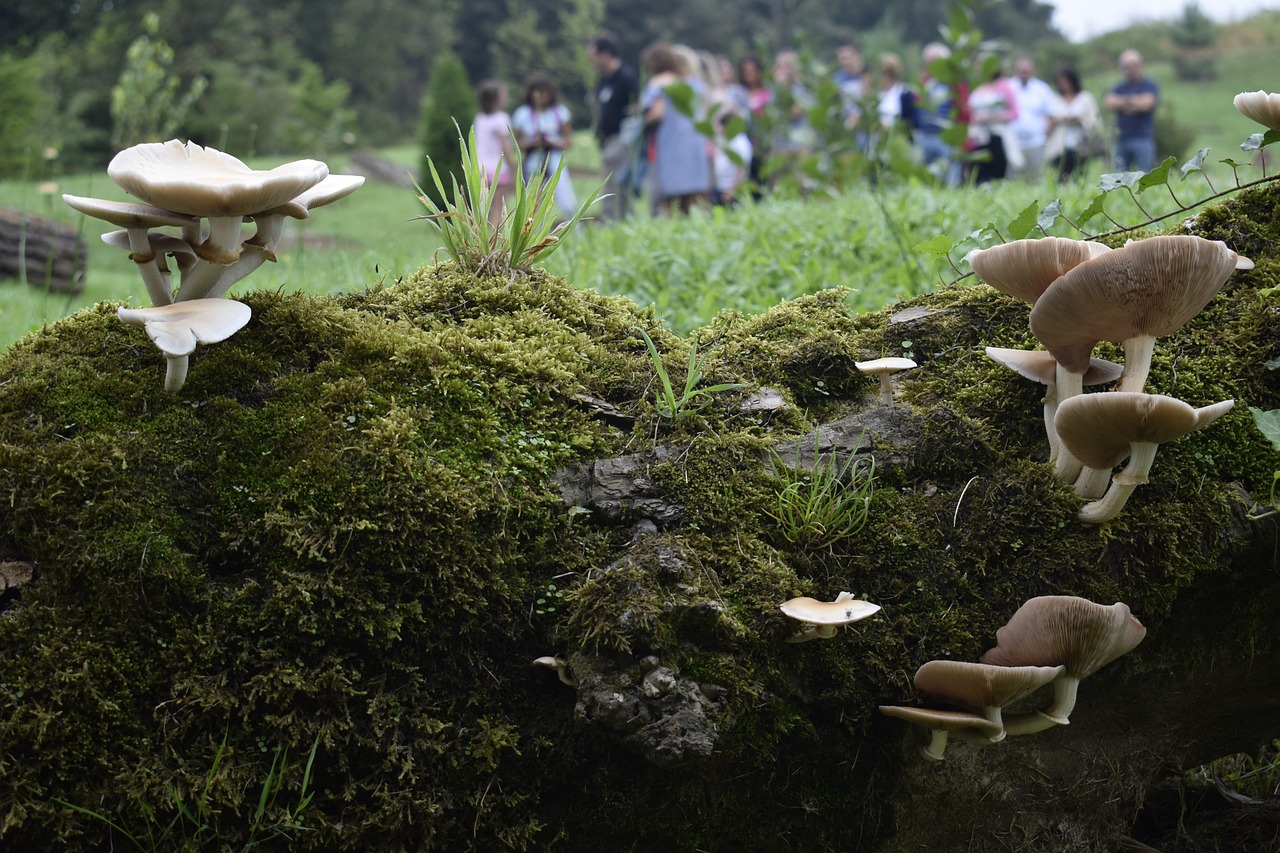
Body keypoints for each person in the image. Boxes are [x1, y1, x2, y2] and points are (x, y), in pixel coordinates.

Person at [640, 41, 711, 215]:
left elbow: (657, 113)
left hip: (671, 143)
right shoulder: (691, 82)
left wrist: (642, 119)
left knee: (671, 198)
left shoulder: (659, 83)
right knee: (695, 197)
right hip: (694, 142)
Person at [587, 33, 640, 222]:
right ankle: (613, 219)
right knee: (609, 182)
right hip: (607, 139)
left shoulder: (626, 77)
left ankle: (621, 219)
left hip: (622, 137)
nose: (592, 62)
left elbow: (637, 105)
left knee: (618, 182)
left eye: (594, 57)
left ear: (606, 53)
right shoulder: (605, 80)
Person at [511, 72, 579, 218]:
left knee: (566, 199)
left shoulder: (560, 112)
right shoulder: (522, 114)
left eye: (544, 92)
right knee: (534, 204)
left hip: (555, 161)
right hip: (533, 162)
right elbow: (516, 144)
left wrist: (552, 142)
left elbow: (568, 141)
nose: (541, 96)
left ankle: (575, 229)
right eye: (538, 92)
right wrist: (532, 142)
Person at [915, 42, 962, 186]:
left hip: (946, 137)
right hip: (924, 136)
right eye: (928, 62)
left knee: (951, 179)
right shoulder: (922, 82)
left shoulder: (953, 83)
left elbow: (961, 109)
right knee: (925, 179)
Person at [1103, 49, 1159, 172]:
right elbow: (1109, 102)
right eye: (1126, 66)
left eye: (1133, 65)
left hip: (1143, 138)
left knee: (1145, 175)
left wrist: (1122, 103)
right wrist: (1134, 102)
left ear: (1140, 65)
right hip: (1121, 139)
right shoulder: (1119, 87)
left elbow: (1147, 104)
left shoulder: (1150, 85)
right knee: (1119, 178)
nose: (1130, 69)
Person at [472, 80, 517, 228]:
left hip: (480, 168)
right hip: (498, 169)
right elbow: (506, 147)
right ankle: (496, 241)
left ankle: (484, 240)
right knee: (499, 207)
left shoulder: (479, 118)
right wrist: (513, 167)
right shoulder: (501, 118)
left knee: (487, 208)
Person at [967, 66, 1020, 184]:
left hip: (997, 135)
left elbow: (1014, 113)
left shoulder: (1004, 86)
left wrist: (994, 117)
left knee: (998, 170)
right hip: (979, 137)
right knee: (980, 171)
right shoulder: (977, 87)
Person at [1045, 67, 1101, 180]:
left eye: (1066, 81)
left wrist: (1078, 120)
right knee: (1061, 176)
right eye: (1060, 81)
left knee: (1080, 176)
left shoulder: (1085, 98)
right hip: (1059, 147)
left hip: (1081, 146)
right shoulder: (1054, 100)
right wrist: (1059, 121)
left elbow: (1095, 120)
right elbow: (1048, 124)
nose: (1063, 84)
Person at [1009, 56, 1056, 182]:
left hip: (1036, 142)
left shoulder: (1042, 89)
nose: (1024, 72)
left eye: (1027, 70)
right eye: (1021, 70)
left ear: (1032, 71)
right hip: (1013, 142)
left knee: (1036, 178)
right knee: (1013, 178)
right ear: (1016, 71)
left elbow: (1052, 115)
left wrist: (1046, 136)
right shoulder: (1008, 87)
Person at [834, 42, 865, 129]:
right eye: (842, 58)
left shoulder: (866, 76)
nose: (844, 62)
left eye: (846, 58)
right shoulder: (837, 79)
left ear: (856, 56)